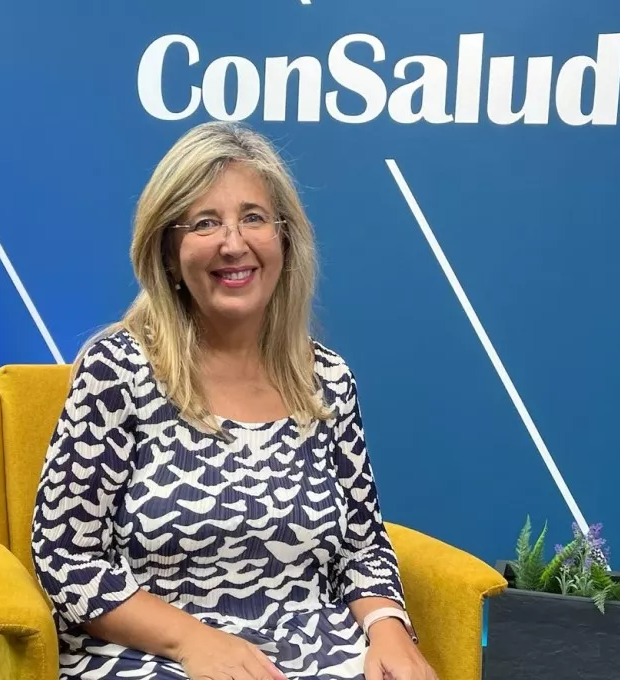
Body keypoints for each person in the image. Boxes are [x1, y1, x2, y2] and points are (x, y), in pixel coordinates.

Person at [30, 121, 436, 680]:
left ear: (285, 239)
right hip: (154, 654)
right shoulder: (117, 370)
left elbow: (361, 548)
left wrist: (391, 633)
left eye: (253, 217)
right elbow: (67, 558)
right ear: (169, 254)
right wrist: (193, 643)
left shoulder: (328, 381)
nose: (233, 243)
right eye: (204, 222)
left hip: (314, 650)